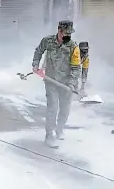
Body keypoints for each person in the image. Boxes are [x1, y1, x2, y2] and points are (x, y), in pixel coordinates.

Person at [32, 20, 81, 148]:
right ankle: (49, 135)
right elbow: (38, 51)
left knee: (65, 108)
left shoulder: (73, 47)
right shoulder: (47, 41)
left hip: (66, 82)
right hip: (51, 80)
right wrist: (36, 64)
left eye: (70, 34)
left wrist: (71, 84)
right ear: (59, 30)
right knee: (52, 107)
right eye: (65, 33)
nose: (68, 36)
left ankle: (59, 129)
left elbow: (76, 68)